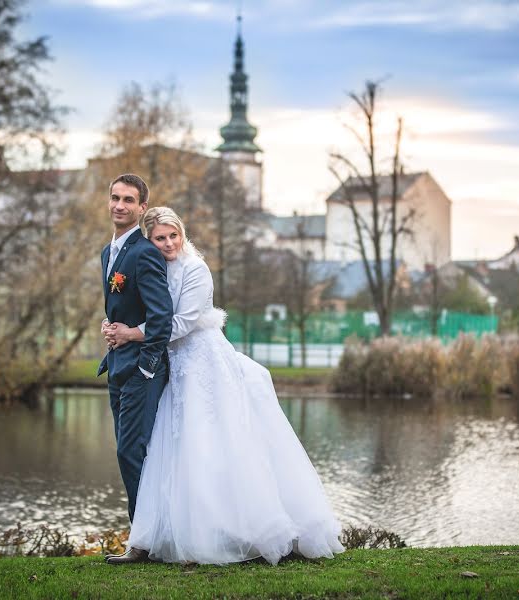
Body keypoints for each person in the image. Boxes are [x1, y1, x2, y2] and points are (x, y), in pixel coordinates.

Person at [103, 206, 344, 565]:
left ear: (182, 234)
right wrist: (114, 325)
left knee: (212, 443)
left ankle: (239, 530)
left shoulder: (195, 269)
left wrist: (130, 334)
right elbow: (143, 308)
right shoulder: (153, 267)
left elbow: (181, 323)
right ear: (149, 241)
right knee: (171, 449)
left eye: (174, 235)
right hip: (172, 365)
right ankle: (168, 535)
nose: (169, 243)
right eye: (160, 238)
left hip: (201, 360)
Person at [96, 174, 173, 565]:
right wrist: (111, 329)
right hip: (116, 368)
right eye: (114, 197)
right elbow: (121, 310)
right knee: (127, 454)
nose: (119, 205)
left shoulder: (145, 253)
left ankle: (143, 544)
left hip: (142, 373)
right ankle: (145, 538)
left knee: (132, 453)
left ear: (142, 207)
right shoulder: (108, 253)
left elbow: (163, 319)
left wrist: (146, 369)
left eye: (128, 200)